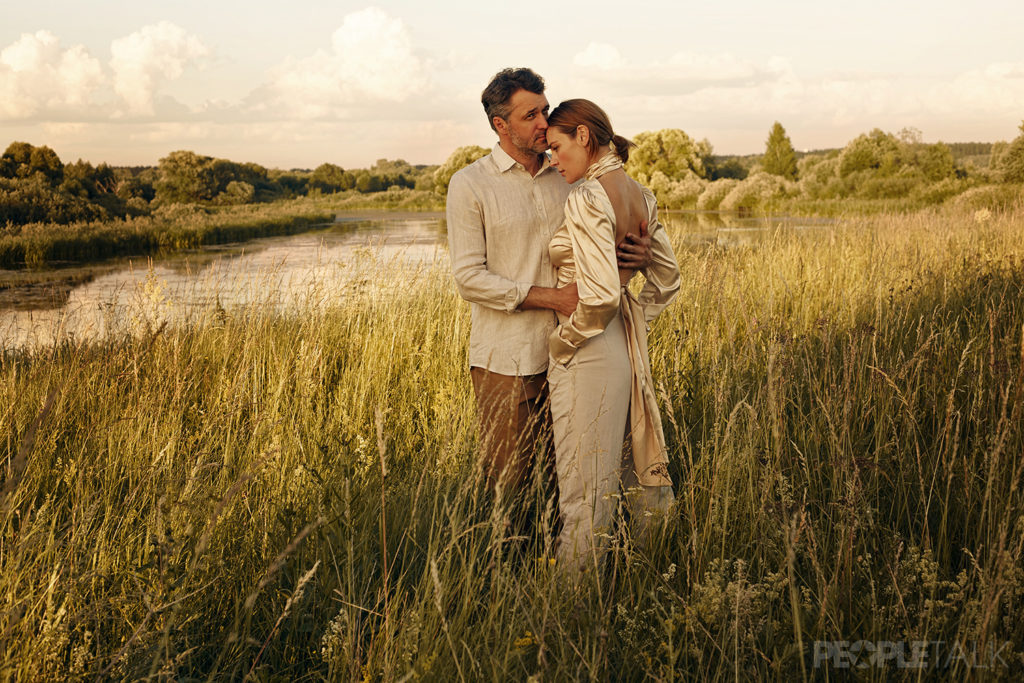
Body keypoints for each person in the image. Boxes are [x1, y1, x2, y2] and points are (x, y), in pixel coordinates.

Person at [446, 69, 651, 542]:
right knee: (510, 488)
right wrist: (551, 297)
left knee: (575, 481)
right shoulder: (470, 184)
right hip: (508, 359)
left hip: (579, 356)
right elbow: (468, 277)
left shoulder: (570, 172)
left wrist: (638, 257)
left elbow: (613, 238)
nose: (544, 122)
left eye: (544, 108)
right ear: (501, 125)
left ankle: (568, 577)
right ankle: (506, 584)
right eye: (530, 114)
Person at [544, 98, 679, 572]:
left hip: (586, 348)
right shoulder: (642, 195)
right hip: (622, 343)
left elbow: (597, 296)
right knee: (614, 469)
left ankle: (570, 609)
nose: (553, 159)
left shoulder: (585, 197)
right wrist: (635, 313)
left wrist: (561, 343)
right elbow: (668, 280)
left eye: (557, 147)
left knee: (584, 487)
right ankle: (633, 574)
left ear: (585, 136)